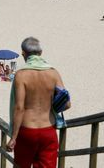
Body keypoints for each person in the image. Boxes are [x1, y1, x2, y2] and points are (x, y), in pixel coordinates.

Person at [7, 37, 71, 168]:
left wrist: (13, 137)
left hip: (27, 131)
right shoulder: (54, 73)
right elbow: (67, 103)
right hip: (48, 130)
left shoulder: (21, 75)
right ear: (40, 53)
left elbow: (19, 107)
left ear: (23, 54)